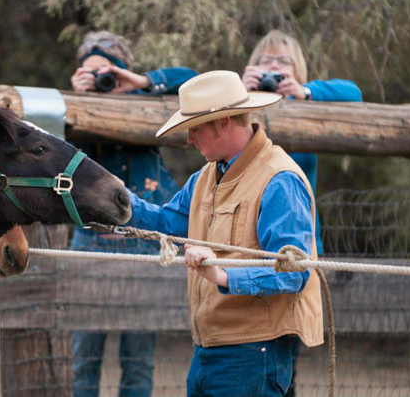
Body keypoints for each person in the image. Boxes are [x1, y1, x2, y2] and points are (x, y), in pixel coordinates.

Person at [126, 70, 323, 397]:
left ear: (224, 123)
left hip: (253, 353)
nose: (189, 138)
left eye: (195, 128)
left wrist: (221, 275)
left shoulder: (280, 179)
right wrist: (114, 202)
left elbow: (293, 274)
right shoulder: (205, 177)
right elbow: (167, 223)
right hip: (209, 351)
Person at [69, 31, 198, 397]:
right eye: (90, 72)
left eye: (107, 72)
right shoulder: (74, 108)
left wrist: (143, 82)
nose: (101, 80)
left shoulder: (150, 101)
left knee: (139, 363)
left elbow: (196, 81)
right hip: (88, 244)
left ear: (123, 71)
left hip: (141, 247)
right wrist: (79, 100)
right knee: (84, 360)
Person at [242, 30, 362, 396]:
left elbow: (354, 93)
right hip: (244, 240)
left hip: (299, 244)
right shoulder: (239, 107)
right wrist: (240, 90)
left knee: (285, 353)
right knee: (245, 349)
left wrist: (305, 92)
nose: (274, 67)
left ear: (298, 71)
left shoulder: (311, 104)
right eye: (266, 61)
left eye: (283, 62)